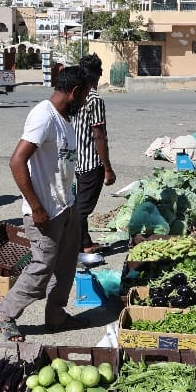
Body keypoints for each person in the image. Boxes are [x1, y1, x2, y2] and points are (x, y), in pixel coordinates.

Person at [0, 65, 90, 343]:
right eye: (83, 96)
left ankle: (56, 317)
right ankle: (5, 314)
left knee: (66, 266)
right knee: (41, 267)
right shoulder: (43, 116)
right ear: (74, 92)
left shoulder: (63, 118)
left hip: (65, 206)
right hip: (45, 211)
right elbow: (17, 161)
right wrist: (36, 207)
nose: (84, 101)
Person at [74, 54, 116, 255]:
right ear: (97, 75)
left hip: (77, 161)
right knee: (82, 209)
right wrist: (107, 168)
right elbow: (99, 135)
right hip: (91, 162)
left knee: (79, 205)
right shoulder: (95, 99)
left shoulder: (76, 96)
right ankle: (80, 245)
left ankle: (84, 242)